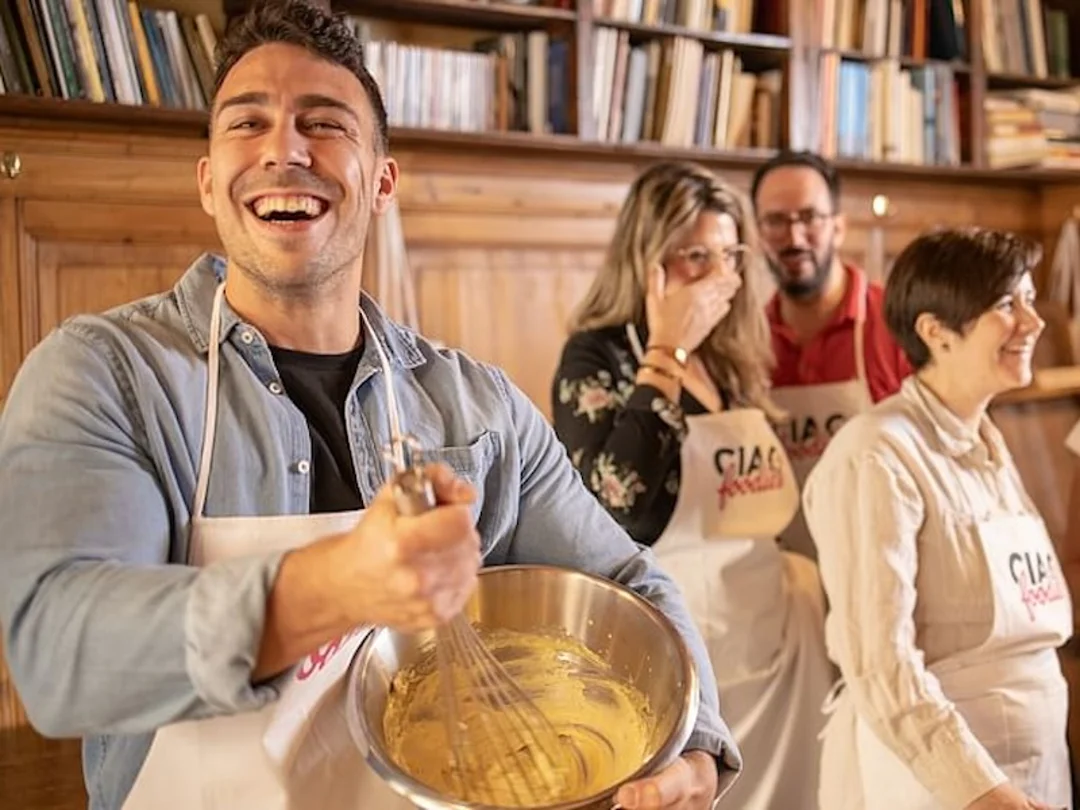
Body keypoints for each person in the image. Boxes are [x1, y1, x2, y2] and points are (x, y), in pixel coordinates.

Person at [0, 4, 741, 810]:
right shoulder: (107, 375)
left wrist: (692, 742)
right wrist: (337, 585)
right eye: (249, 123)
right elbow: (57, 653)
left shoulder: (479, 409)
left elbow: (628, 581)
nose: (285, 149)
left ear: (383, 180)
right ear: (209, 179)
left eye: (325, 124)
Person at [551, 160, 834, 810]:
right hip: (690, 644)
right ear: (647, 259)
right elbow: (615, 508)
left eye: (727, 256)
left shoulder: (729, 358)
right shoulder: (598, 357)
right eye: (692, 257)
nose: (714, 278)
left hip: (777, 638)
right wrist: (667, 349)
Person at [803, 226, 1073, 810]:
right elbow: (880, 663)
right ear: (935, 331)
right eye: (1008, 305)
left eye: (1029, 299)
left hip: (1034, 767)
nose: (1034, 322)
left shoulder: (988, 442)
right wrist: (983, 792)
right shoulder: (876, 454)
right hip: (943, 785)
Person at [750, 150, 912, 561]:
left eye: (809, 217)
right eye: (776, 220)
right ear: (756, 233)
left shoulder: (897, 323)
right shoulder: (746, 342)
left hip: (884, 559)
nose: (794, 237)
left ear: (838, 227)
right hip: (787, 574)